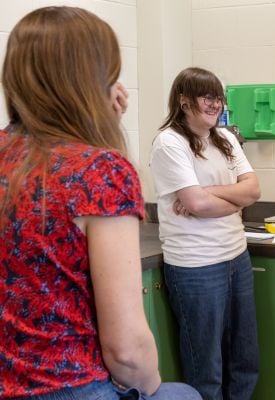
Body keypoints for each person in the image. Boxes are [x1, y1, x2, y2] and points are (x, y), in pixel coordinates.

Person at [0, 7, 201, 400]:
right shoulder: (101, 172)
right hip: (68, 385)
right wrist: (151, 390)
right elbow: (127, 352)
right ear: (93, 82)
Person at [149, 67, 261, 400]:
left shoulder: (225, 138)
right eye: (206, 97)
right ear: (184, 101)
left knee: (245, 359)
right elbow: (196, 203)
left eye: (217, 97)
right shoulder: (169, 142)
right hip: (195, 267)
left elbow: (253, 191)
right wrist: (229, 199)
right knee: (206, 368)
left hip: (236, 258)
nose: (214, 104)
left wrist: (209, 192)